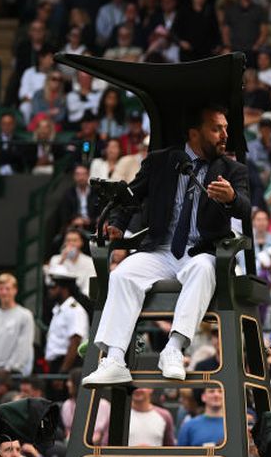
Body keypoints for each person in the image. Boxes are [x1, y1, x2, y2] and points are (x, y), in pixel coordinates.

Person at [84, 105, 250, 386]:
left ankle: (173, 348)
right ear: (194, 133)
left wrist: (232, 198)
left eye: (226, 128)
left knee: (202, 269)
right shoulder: (160, 161)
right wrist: (118, 224)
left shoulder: (233, 170)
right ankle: (114, 359)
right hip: (161, 249)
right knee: (123, 274)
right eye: (216, 129)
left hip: (202, 252)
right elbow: (131, 196)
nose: (225, 135)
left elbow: (244, 209)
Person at [0, 273, 35, 376]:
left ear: (15, 290)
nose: (4, 292)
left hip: (13, 374)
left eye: (8, 289)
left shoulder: (25, 315)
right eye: (1, 289)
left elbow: (23, 347)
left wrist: (8, 369)